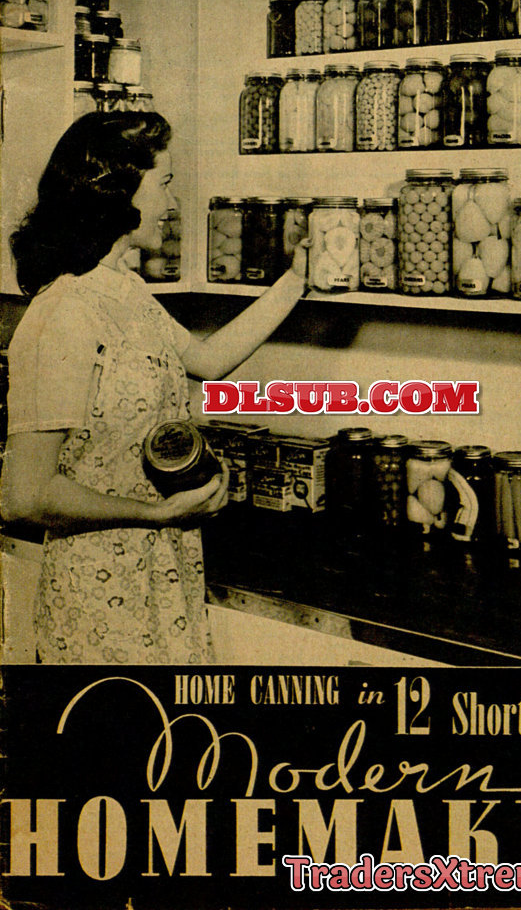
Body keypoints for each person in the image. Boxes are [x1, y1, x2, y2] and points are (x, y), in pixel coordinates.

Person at [1, 111, 307, 665]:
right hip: (97, 598)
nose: (172, 203)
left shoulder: (126, 293)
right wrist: (155, 514)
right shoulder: (63, 314)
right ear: (119, 190)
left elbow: (210, 361)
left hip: (165, 575)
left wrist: (296, 281)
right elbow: (24, 495)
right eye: (163, 183)